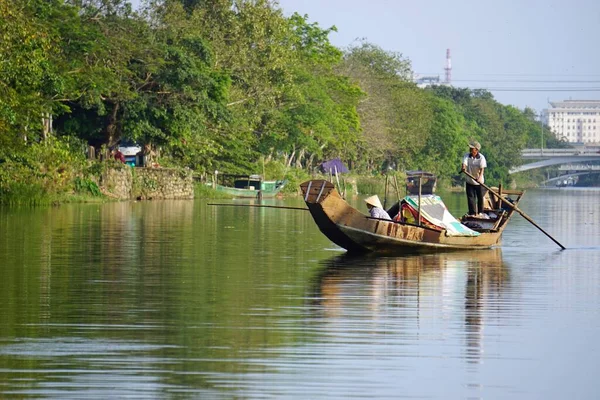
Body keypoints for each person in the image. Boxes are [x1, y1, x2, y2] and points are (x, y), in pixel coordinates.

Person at [461, 141, 487, 217]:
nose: (470, 149)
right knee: (470, 198)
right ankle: (472, 213)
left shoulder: (481, 157)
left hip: (479, 181)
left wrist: (479, 177)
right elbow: (464, 163)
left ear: (476, 149)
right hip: (469, 180)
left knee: (480, 197)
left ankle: (480, 213)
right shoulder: (467, 155)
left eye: (472, 148)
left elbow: (482, 169)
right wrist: (463, 168)